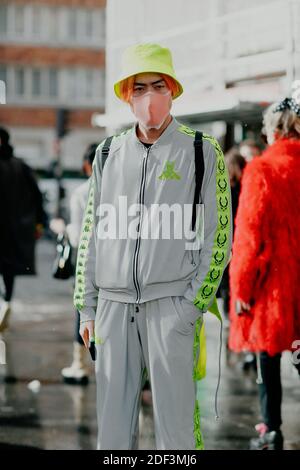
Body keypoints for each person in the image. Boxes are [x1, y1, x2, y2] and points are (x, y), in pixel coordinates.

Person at [74, 43, 232, 450]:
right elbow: (93, 233)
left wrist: (192, 305)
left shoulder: (201, 150)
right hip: (112, 309)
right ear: (127, 94)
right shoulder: (109, 153)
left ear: (173, 90)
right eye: (139, 87)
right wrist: (87, 307)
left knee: (177, 432)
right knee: (112, 433)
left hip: (171, 307)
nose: (148, 97)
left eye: (156, 86)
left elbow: (219, 237)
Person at [229, 94, 300, 450]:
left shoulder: (263, 169)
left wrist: (241, 289)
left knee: (267, 361)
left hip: (273, 286)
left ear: (274, 130)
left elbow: (249, 236)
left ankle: (271, 429)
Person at [0, 127, 46, 331]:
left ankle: (3, 304)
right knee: (8, 271)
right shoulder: (22, 167)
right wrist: (39, 223)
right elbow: (37, 198)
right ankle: (6, 302)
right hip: (16, 231)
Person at [61, 143, 98, 385]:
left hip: (87, 262)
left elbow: (76, 236)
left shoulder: (81, 193)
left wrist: (64, 229)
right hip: (117, 264)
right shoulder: (122, 190)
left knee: (83, 309)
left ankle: (80, 364)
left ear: (87, 165)